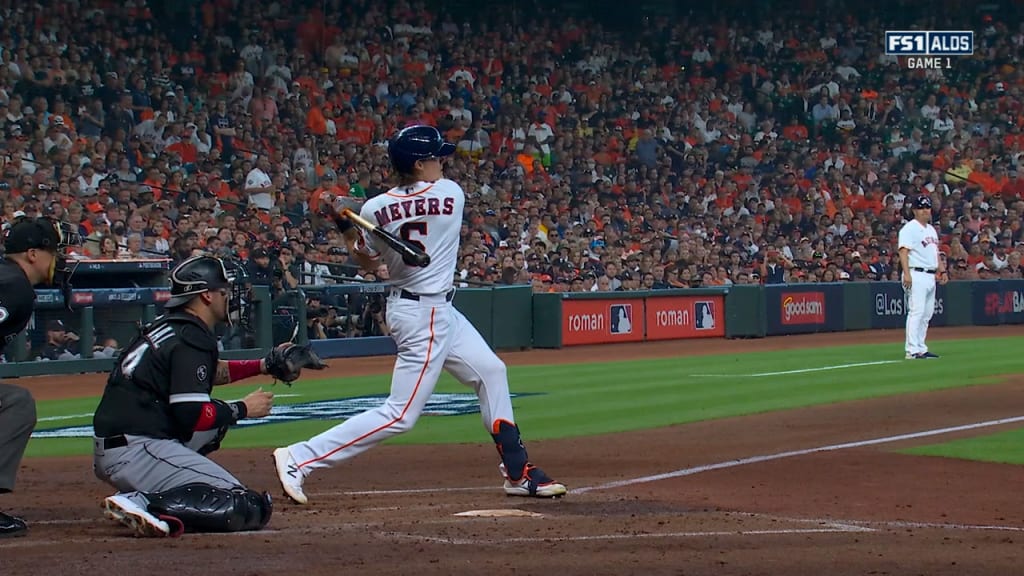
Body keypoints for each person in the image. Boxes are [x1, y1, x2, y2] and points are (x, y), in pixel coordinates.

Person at [272, 125, 566, 504]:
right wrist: (352, 218)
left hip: (427, 308)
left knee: (491, 371)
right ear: (419, 163)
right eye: (435, 157)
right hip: (423, 314)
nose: (441, 162)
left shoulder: (375, 209)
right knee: (401, 415)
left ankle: (517, 471)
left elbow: (367, 261)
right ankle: (300, 457)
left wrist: (347, 225)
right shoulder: (450, 194)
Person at [92, 255, 280, 538]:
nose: (228, 297)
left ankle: (149, 486)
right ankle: (143, 501)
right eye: (223, 291)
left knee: (215, 423)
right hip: (137, 448)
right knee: (245, 505)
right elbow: (190, 414)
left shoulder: (169, 326)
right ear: (206, 295)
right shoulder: (192, 337)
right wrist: (242, 408)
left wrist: (264, 366)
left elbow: (205, 373)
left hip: (124, 442)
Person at [0, 216, 79, 537]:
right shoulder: (13, 285)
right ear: (33, 254)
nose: (59, 261)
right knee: (17, 404)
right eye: (54, 253)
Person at [898, 195, 948, 359]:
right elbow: (903, 252)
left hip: (930, 275)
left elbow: (935, 254)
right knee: (916, 312)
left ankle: (921, 347)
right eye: (922, 208)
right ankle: (911, 350)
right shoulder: (909, 228)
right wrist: (907, 274)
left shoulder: (931, 229)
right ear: (914, 211)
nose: (926, 210)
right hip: (915, 273)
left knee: (927, 314)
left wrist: (943, 271)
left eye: (927, 207)